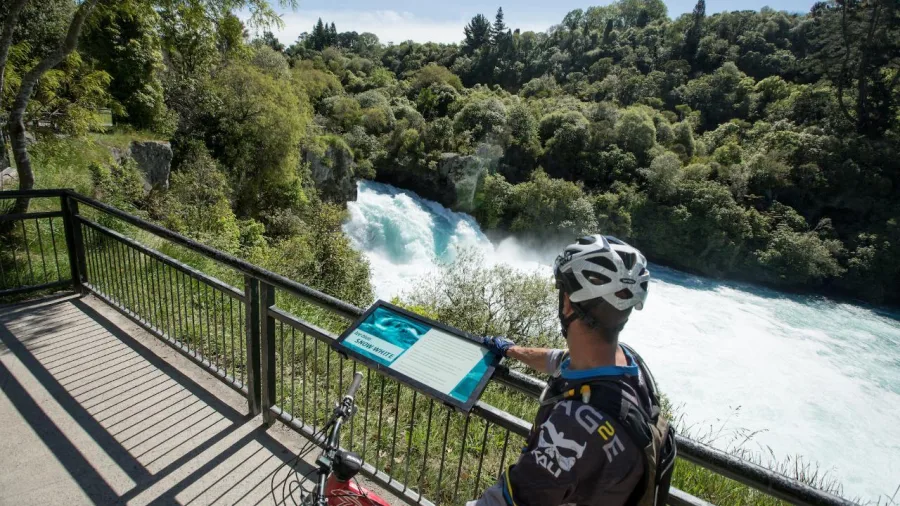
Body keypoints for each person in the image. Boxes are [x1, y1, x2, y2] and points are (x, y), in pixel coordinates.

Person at [469, 234, 676, 506]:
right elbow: (558, 360)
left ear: (567, 303)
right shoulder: (628, 364)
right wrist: (510, 349)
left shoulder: (574, 425)